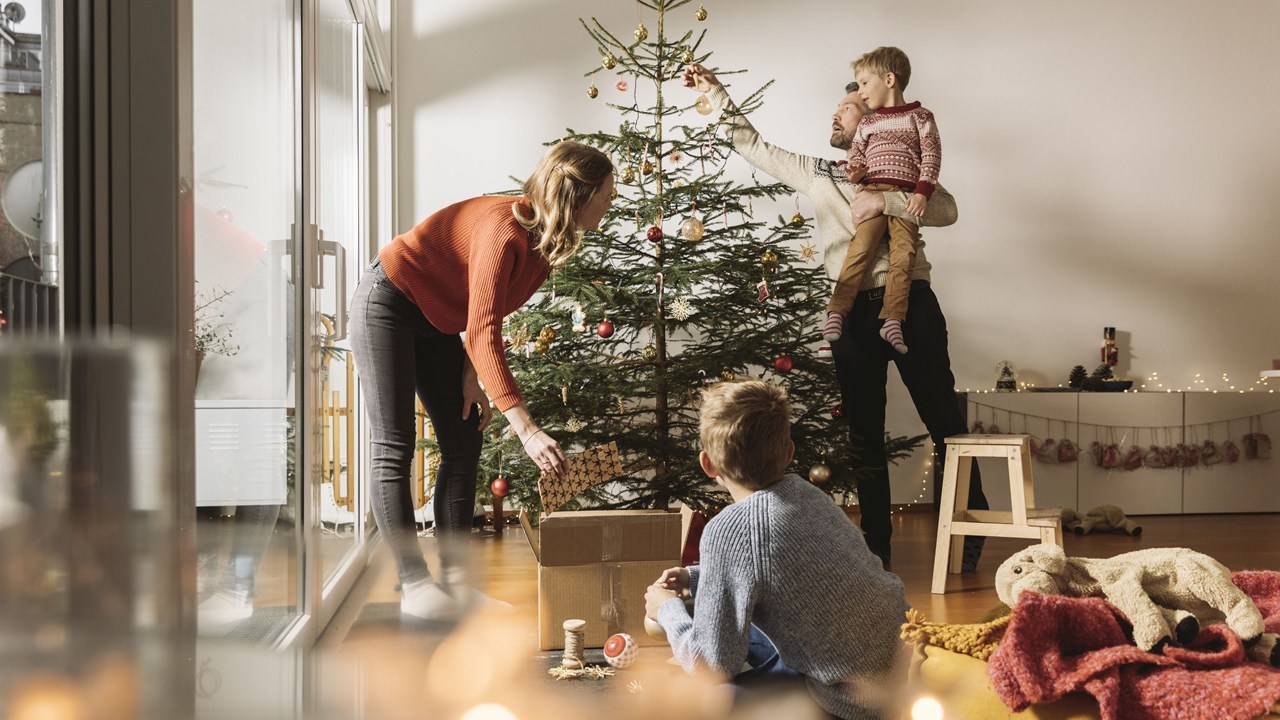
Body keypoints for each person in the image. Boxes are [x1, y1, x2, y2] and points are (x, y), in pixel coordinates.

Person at [682, 63, 987, 569]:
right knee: (864, 431)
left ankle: (971, 538)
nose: (836, 115)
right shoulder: (818, 171)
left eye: (847, 109)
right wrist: (715, 92)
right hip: (850, 315)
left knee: (946, 421)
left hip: (911, 302)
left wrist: (885, 198)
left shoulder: (911, 176)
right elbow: (754, 145)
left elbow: (947, 209)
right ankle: (877, 550)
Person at [348, 140, 614, 620]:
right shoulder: (503, 228)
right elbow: (486, 329)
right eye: (607, 194)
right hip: (388, 302)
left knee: (464, 436)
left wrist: (472, 376)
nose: (611, 203)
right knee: (395, 443)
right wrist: (527, 430)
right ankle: (413, 585)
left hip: (436, 324)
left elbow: (486, 314)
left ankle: (456, 583)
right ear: (580, 193)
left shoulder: (547, 244)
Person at [644, 379, 910, 720]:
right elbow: (785, 571)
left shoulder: (728, 529)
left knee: (699, 696)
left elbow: (713, 666)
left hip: (851, 704)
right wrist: (698, 577)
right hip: (899, 668)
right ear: (788, 452)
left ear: (708, 464)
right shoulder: (809, 494)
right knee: (743, 621)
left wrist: (667, 611)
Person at [825, 46, 940, 355]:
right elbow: (858, 156)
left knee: (904, 256)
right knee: (860, 248)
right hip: (873, 189)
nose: (862, 92)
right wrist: (857, 174)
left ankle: (893, 319)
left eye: (864, 83)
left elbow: (930, 156)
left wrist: (921, 193)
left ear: (889, 79)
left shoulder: (920, 116)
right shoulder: (867, 125)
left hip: (904, 195)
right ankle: (837, 310)